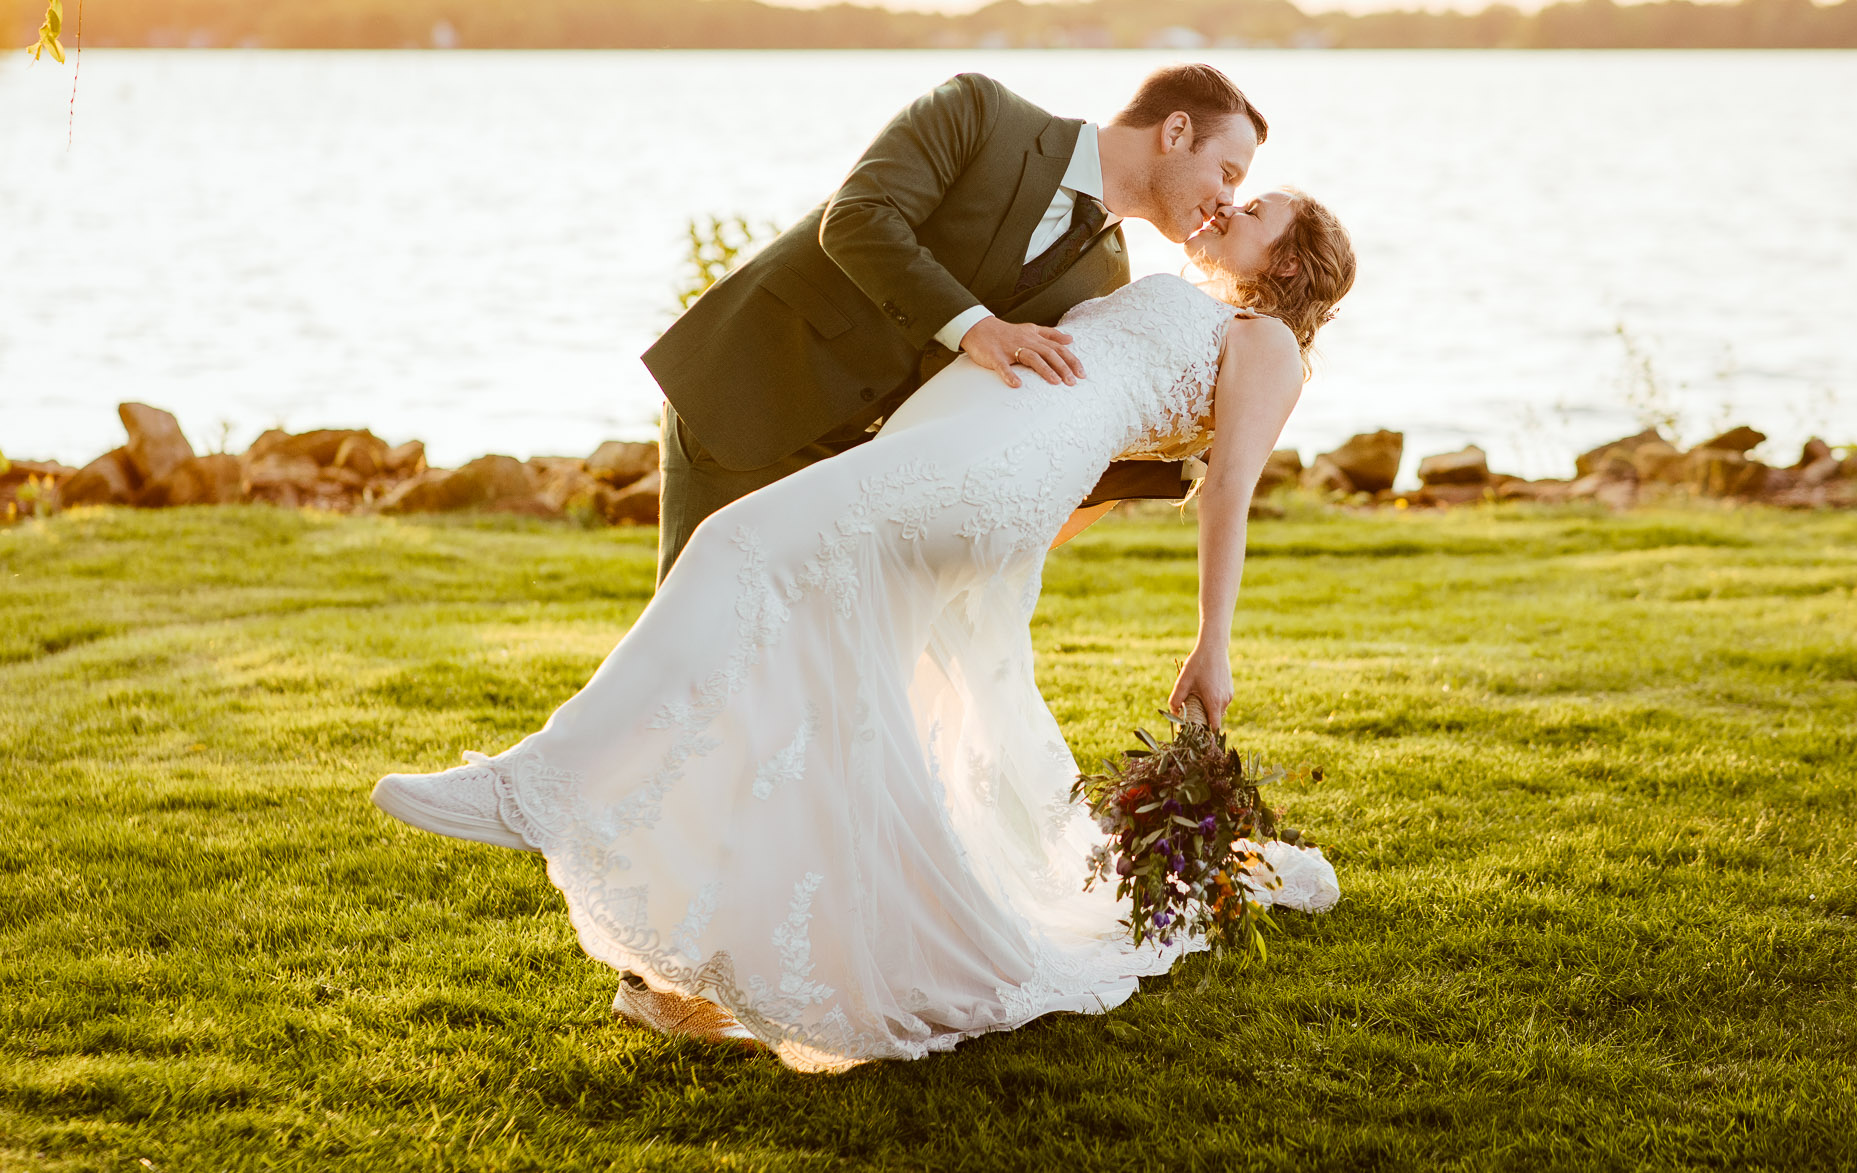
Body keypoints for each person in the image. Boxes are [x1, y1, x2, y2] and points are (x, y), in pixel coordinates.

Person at [372, 185, 1357, 1076]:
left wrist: (1209, 642)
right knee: (827, 671)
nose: (1231, 204)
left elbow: (1226, 490)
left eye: (1259, 208)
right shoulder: (1184, 302)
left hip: (1003, 450)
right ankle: (707, 967)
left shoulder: (1266, 344)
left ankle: (539, 788)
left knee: (738, 547)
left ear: (1288, 263)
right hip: (987, 444)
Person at [641, 64, 1269, 583]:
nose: (1227, 200)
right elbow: (859, 219)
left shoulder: (1106, 281)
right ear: (1178, 131)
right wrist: (978, 327)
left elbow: (1066, 410)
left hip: (860, 468)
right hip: (752, 392)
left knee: (784, 666)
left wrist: (1195, 444)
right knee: (687, 646)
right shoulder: (980, 112)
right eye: (1228, 172)